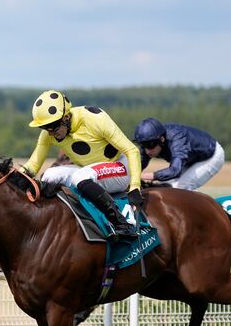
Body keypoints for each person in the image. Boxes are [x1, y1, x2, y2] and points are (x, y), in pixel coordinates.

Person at [21, 89, 144, 240]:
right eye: (45, 128)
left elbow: (133, 150)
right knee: (49, 176)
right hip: (89, 171)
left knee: (81, 176)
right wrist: (14, 175)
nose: (50, 133)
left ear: (66, 117)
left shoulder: (94, 119)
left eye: (53, 127)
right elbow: (33, 165)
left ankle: (122, 224)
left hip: (119, 168)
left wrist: (135, 187)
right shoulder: (49, 133)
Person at [134, 118, 225, 191]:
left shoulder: (178, 139)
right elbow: (139, 166)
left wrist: (144, 176)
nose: (146, 151)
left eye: (150, 145)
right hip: (190, 159)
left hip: (211, 156)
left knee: (181, 186)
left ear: (161, 139)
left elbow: (175, 170)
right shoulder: (151, 140)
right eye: (143, 145)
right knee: (163, 188)